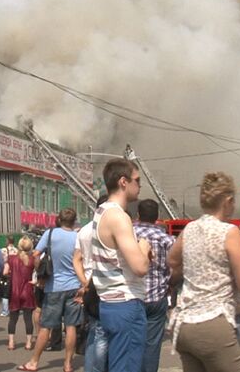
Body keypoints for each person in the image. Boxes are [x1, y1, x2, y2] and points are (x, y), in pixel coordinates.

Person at [167, 172, 240, 372]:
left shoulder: (189, 230)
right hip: (214, 323)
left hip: (184, 324)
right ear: (228, 201)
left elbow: (171, 259)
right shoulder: (229, 233)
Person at [91, 159, 151, 372]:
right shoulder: (119, 217)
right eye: (137, 180)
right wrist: (143, 247)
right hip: (127, 303)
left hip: (109, 303)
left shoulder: (101, 212)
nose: (140, 185)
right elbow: (140, 267)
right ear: (123, 182)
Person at [17, 208, 82, 372]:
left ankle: (34, 362)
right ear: (74, 221)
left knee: (46, 326)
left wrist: (40, 272)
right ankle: (68, 364)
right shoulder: (78, 237)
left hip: (54, 286)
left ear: (59, 219)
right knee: (71, 326)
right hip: (74, 285)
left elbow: (36, 254)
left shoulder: (50, 234)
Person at [133, 199, 174, 372]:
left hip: (132, 296)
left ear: (138, 215)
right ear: (157, 217)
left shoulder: (129, 235)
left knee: (132, 343)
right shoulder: (168, 240)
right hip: (157, 297)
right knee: (152, 346)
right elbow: (173, 268)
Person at [73, 195, 109, 372]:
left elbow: (76, 259)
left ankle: (90, 368)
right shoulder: (104, 229)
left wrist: (84, 281)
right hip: (102, 284)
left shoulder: (84, 230)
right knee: (102, 334)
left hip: (89, 286)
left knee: (93, 332)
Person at [4, 236, 36, 350]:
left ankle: (11, 343)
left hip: (15, 290)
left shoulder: (12, 258)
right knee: (28, 318)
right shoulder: (32, 259)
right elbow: (37, 273)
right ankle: (28, 343)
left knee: (13, 318)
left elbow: (5, 272)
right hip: (27, 290)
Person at [0, 236, 18, 317]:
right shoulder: (17, 250)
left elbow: (0, 261)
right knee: (13, 291)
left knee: (5, 293)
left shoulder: (4, 250)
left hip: (6, 273)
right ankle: (13, 307)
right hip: (15, 273)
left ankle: (5, 311)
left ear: (7, 241)